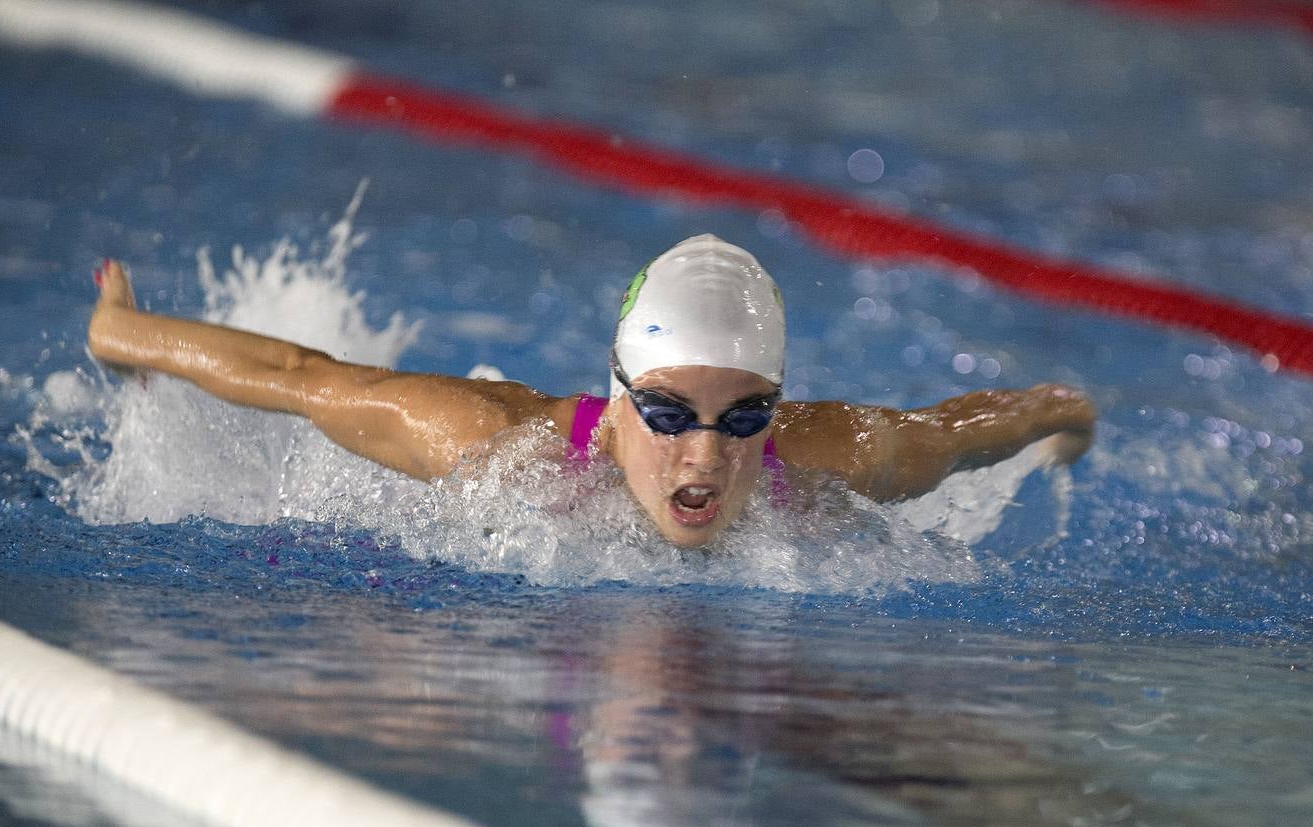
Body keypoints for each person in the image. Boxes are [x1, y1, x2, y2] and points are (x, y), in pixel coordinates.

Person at [87, 234, 1095, 548]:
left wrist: (1063, 414)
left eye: (745, 417)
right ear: (618, 400)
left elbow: (964, 427)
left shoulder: (844, 456)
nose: (705, 453)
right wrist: (126, 333)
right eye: (668, 414)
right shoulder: (491, 444)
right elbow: (303, 379)